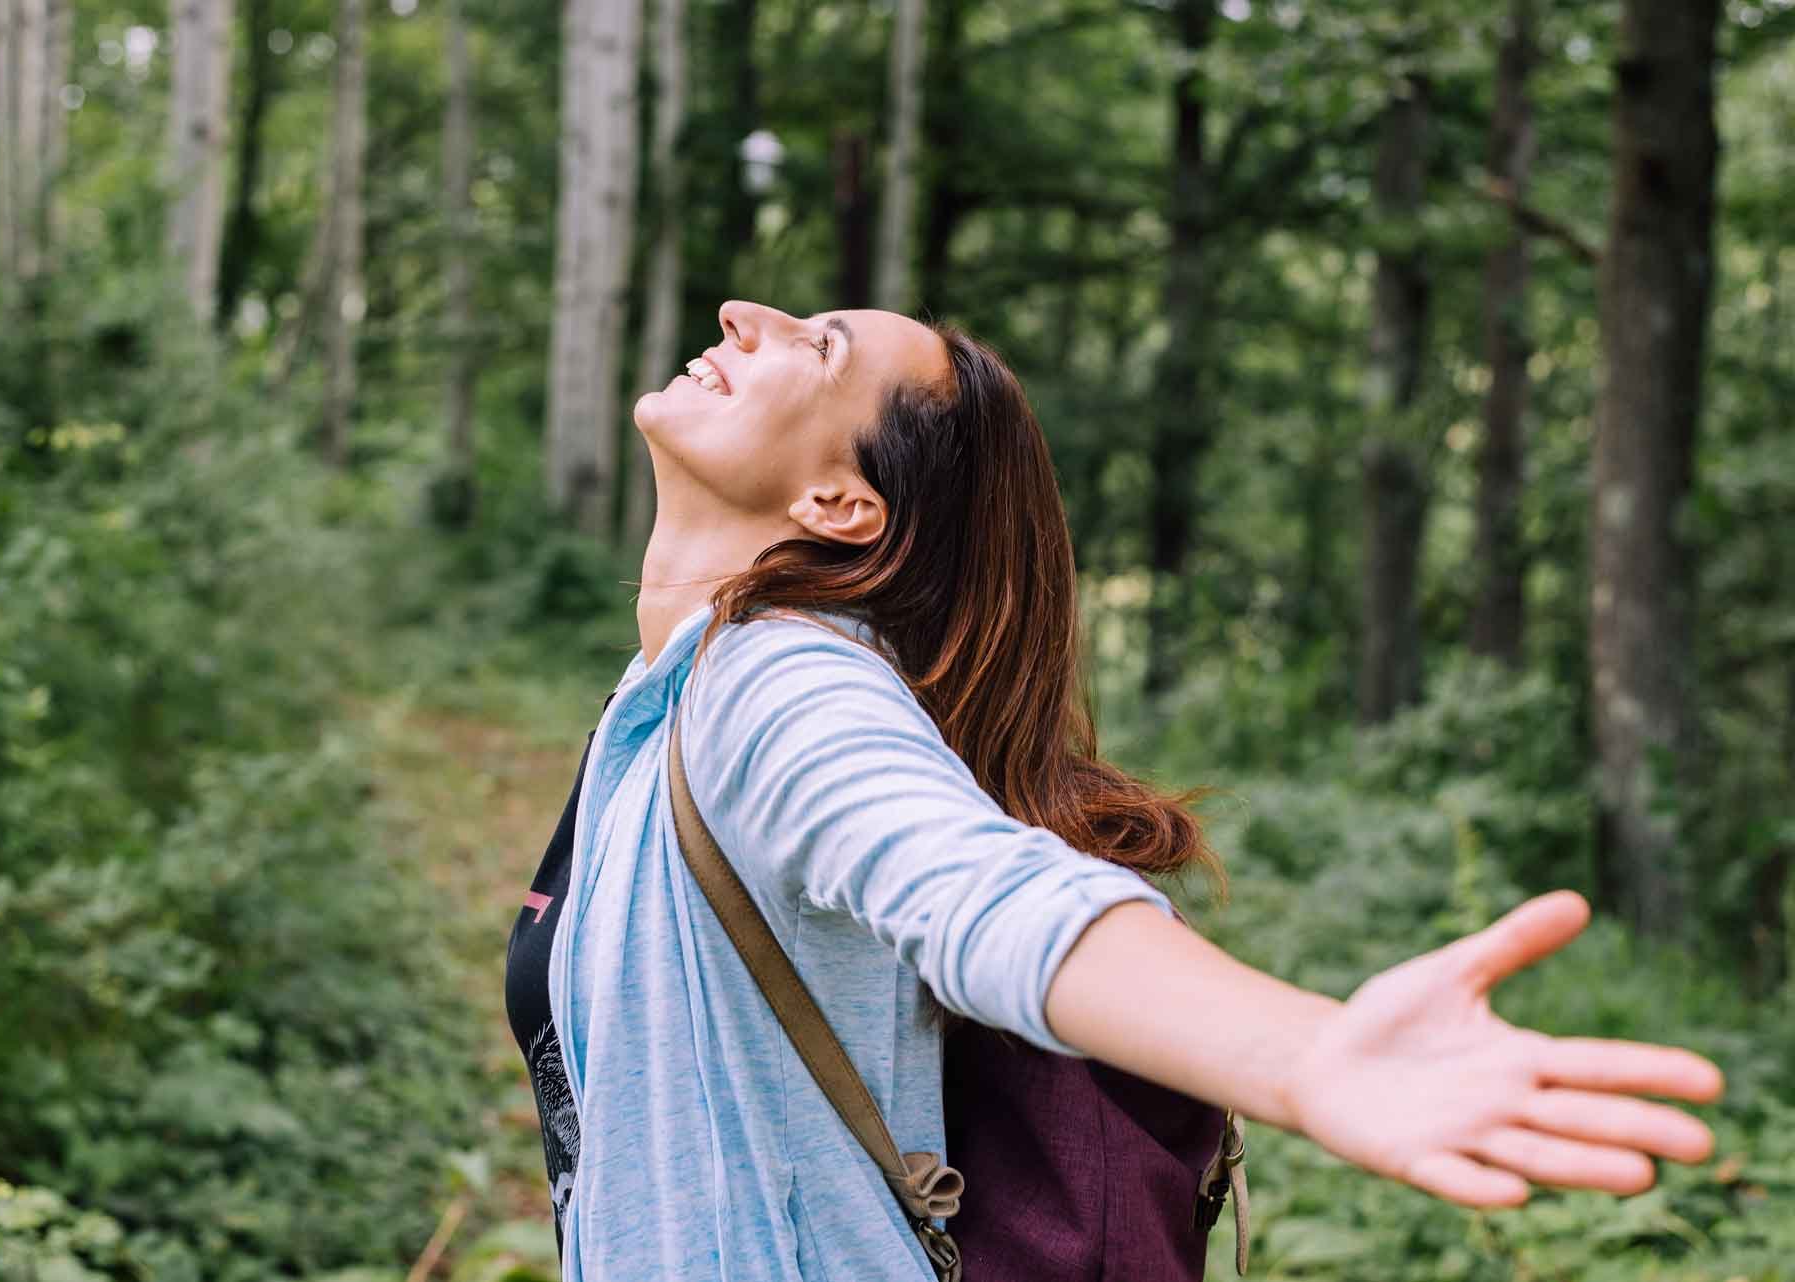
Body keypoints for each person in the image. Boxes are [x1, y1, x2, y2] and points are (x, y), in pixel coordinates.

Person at [503, 301, 1724, 1282]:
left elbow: (979, 888)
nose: (741, 313)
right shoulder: (663, 690)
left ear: (840, 504)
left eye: (818, 346)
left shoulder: (776, 684)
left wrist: (1305, 1056)